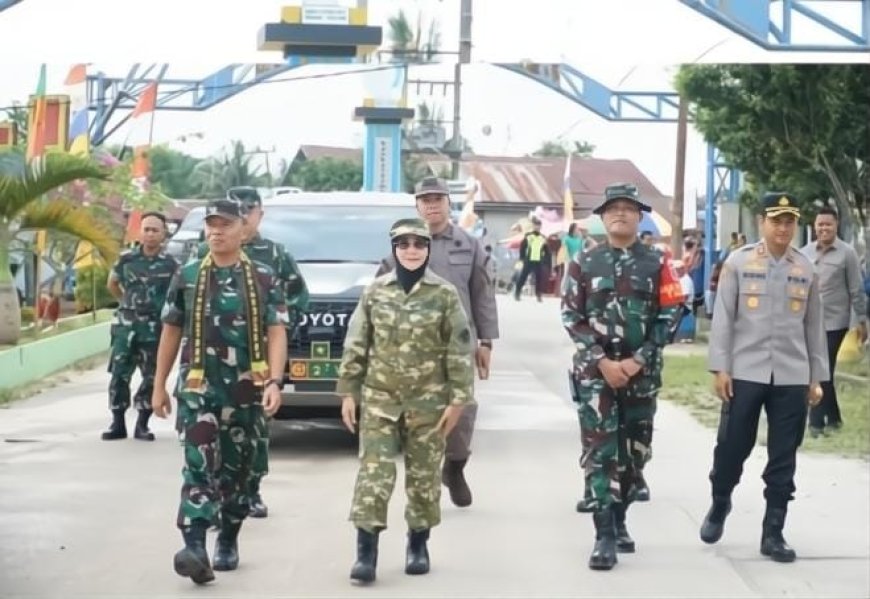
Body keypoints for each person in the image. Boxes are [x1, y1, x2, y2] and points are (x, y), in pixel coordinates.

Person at [151, 198, 288, 584]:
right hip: (199, 390)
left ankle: (227, 537)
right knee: (198, 465)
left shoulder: (263, 276)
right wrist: (159, 385)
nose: (216, 231)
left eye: (225, 224)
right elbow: (172, 329)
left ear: (242, 229)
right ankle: (194, 545)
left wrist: (275, 382)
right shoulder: (189, 274)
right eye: (211, 224)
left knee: (240, 474)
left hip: (248, 391)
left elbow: (277, 331)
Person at [339, 218, 474, 584]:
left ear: (428, 248)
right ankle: (366, 553)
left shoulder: (444, 294)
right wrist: (348, 391)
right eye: (404, 244)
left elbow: (459, 349)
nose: (411, 250)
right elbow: (357, 342)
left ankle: (418, 544)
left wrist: (459, 399)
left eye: (418, 243)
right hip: (380, 398)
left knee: (424, 476)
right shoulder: (376, 292)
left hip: (429, 402)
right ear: (393, 249)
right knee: (374, 473)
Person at [701, 192, 828, 563]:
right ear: (762, 222)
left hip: (791, 373)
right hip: (745, 371)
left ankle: (773, 531)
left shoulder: (805, 267)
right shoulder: (738, 263)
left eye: (789, 221)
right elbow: (723, 318)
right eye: (777, 220)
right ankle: (720, 500)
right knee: (732, 446)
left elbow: (814, 325)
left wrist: (816, 377)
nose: (783, 228)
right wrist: (720, 367)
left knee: (784, 455)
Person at [562, 183, 683, 571]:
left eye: (628, 209)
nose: (620, 214)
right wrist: (601, 360)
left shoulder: (657, 261)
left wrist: (638, 360)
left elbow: (670, 314)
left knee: (635, 453)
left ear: (639, 216)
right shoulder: (584, 261)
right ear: (601, 216)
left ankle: (620, 518)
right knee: (600, 454)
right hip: (596, 376)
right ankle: (603, 535)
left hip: (641, 376)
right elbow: (571, 316)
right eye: (612, 208)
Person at [377, 176, 499, 508]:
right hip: (413, 346)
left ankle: (455, 467)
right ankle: (423, 490)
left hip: (459, 344)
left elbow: (482, 294)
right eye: (425, 199)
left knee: (464, 412)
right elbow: (380, 296)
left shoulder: (468, 245)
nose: (432, 205)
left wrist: (486, 341)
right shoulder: (403, 245)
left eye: (438, 199)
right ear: (417, 205)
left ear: (448, 203)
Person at [194, 186, 310, 518]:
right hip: (211, 360)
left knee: (253, 432)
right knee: (207, 434)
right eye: (237, 210)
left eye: (249, 210)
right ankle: (212, 498)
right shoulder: (203, 253)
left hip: (258, 358)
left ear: (259, 214)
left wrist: (275, 326)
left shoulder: (273, 254)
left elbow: (299, 296)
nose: (242, 217)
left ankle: (251, 489)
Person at [102, 212, 178, 441]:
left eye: (155, 230)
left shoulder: (171, 264)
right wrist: (126, 303)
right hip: (127, 327)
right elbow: (112, 284)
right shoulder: (126, 260)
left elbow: (175, 294)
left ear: (164, 234)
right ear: (140, 232)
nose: (150, 234)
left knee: (151, 376)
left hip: (155, 329)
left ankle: (142, 424)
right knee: (119, 374)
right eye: (146, 229)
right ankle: (117, 422)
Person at [800, 206, 868, 437]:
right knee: (822, 370)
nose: (823, 228)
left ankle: (816, 423)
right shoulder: (804, 253)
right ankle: (835, 419)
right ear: (814, 226)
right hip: (808, 321)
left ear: (836, 226)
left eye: (828, 224)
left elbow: (856, 290)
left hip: (834, 322)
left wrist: (861, 321)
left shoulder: (847, 253)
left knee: (820, 369)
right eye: (820, 224)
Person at [514, 216, 550, 302]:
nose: (537, 227)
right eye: (536, 225)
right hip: (529, 259)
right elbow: (522, 247)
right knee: (523, 276)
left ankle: (538, 295)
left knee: (539, 278)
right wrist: (522, 258)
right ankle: (517, 293)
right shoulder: (529, 236)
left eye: (539, 226)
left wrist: (546, 261)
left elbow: (547, 251)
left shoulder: (543, 237)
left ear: (540, 227)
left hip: (538, 260)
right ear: (533, 226)